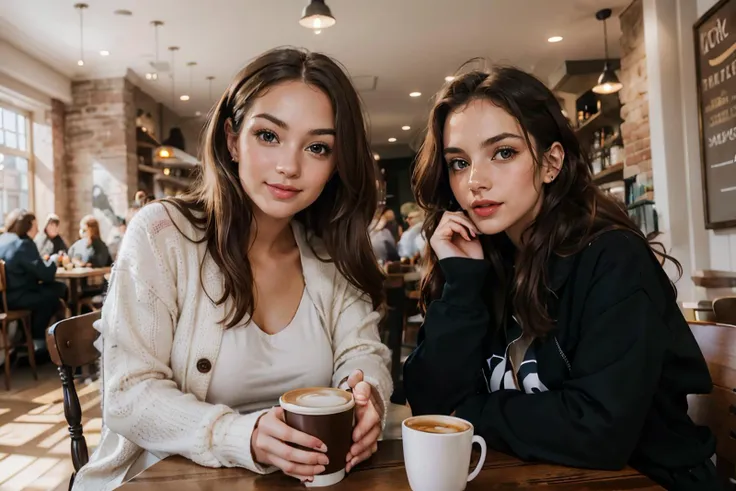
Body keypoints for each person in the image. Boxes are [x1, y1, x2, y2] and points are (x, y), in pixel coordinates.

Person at [73, 48, 392, 490]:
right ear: (231, 139)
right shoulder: (162, 234)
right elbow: (127, 395)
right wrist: (243, 436)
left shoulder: (328, 253)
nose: (289, 165)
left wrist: (367, 394)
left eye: (317, 147)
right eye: (268, 136)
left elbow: (363, 352)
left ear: (336, 165)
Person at [403, 66, 719, 490]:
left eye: (503, 153)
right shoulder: (485, 262)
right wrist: (461, 281)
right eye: (459, 162)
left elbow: (600, 430)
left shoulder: (612, 259)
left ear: (551, 162)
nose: (474, 181)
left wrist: (469, 412)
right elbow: (427, 409)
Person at [0, 209, 67, 342]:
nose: (37, 230)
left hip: (4, 298)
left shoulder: (3, 240)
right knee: (56, 294)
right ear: (28, 226)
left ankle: (26, 336)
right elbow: (46, 274)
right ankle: (36, 340)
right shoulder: (23, 243)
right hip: (17, 297)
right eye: (36, 226)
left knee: (55, 290)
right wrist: (54, 259)